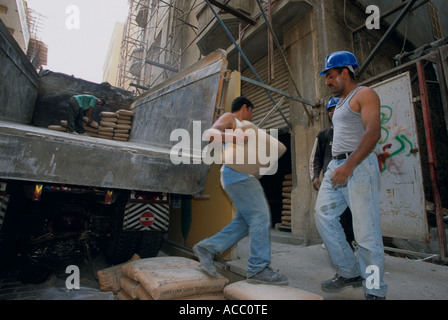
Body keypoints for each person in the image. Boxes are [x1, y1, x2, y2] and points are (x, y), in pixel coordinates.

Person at [314, 51, 387, 300]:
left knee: (366, 234)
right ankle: (349, 271)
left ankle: (375, 289)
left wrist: (350, 165)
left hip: (358, 167)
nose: (328, 82)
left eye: (331, 76)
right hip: (337, 167)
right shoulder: (342, 101)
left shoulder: (364, 94)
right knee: (323, 217)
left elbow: (373, 132)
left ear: (345, 72)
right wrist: (337, 166)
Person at [193, 96, 288, 285]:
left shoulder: (244, 128)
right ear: (245, 107)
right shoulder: (230, 118)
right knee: (260, 217)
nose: (251, 116)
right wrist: (234, 136)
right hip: (237, 175)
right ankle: (258, 268)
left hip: (236, 175)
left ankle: (207, 248)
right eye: (251, 111)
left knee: (245, 222)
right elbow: (209, 134)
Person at [310, 97, 355, 250]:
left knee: (350, 213)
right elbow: (315, 157)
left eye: (335, 108)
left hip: (351, 178)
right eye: (329, 110)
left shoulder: (352, 130)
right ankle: (335, 243)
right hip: (331, 181)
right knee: (329, 213)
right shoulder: (323, 135)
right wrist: (315, 176)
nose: (332, 112)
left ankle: (350, 243)